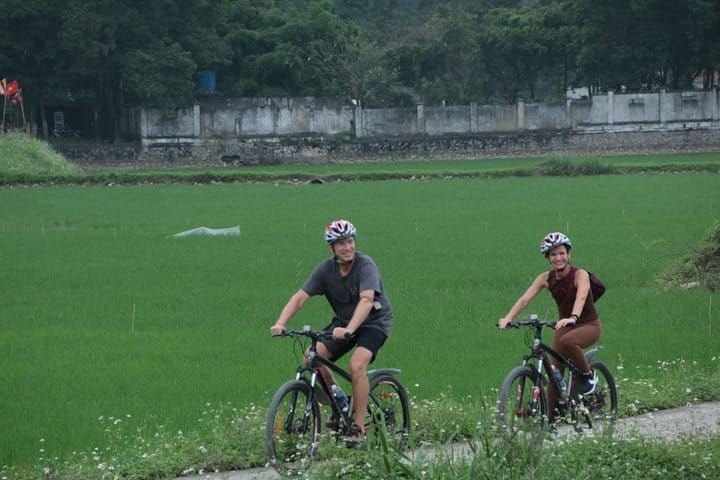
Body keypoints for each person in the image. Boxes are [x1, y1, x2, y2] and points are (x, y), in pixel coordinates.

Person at [270, 219, 393, 446]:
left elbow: (366, 300)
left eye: (350, 241)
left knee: (357, 366)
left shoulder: (366, 265)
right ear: (332, 248)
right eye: (341, 243)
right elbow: (300, 297)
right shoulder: (326, 270)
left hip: (374, 322)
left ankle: (358, 428)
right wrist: (280, 323)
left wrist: (349, 330)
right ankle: (339, 404)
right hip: (343, 323)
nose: (347, 247)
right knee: (311, 357)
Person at [497, 232, 602, 425]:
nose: (558, 258)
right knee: (554, 372)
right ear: (548, 258)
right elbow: (524, 299)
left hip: (588, 324)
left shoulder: (580, 275)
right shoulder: (545, 278)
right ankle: (549, 421)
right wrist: (508, 318)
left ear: (569, 254)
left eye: (561, 253)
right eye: (553, 254)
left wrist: (573, 317)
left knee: (568, 341)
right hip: (564, 324)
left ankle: (588, 377)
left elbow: (581, 297)